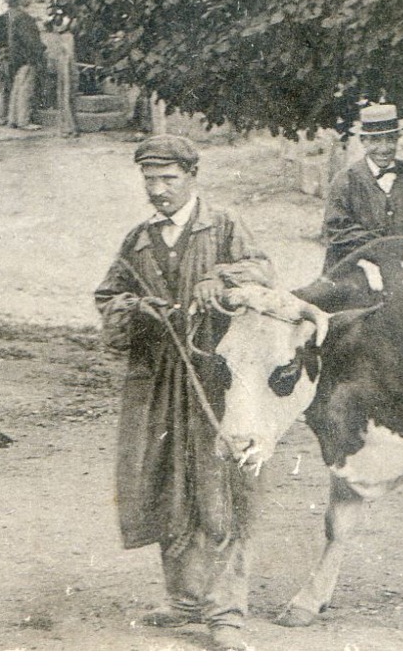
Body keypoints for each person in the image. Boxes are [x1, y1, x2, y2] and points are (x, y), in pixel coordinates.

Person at [94, 135, 274, 651]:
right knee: (164, 484)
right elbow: (108, 295)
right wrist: (133, 308)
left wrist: (220, 280)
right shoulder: (139, 239)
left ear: (192, 177)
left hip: (216, 378)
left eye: (168, 180)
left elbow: (261, 272)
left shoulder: (224, 226)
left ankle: (226, 612)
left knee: (221, 490)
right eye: (150, 180)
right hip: (156, 381)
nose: (158, 190)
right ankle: (185, 600)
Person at [320, 103, 403, 271]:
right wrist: (387, 246)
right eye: (375, 140)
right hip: (357, 270)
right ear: (363, 141)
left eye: (390, 139)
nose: (384, 148)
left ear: (398, 139)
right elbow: (336, 231)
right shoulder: (345, 180)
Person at [0, 0, 47, 129]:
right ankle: (24, 121)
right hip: (26, 59)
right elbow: (31, 41)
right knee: (25, 90)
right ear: (19, 1)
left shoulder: (10, 17)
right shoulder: (24, 18)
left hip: (14, 59)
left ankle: (13, 119)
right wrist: (39, 53)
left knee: (16, 90)